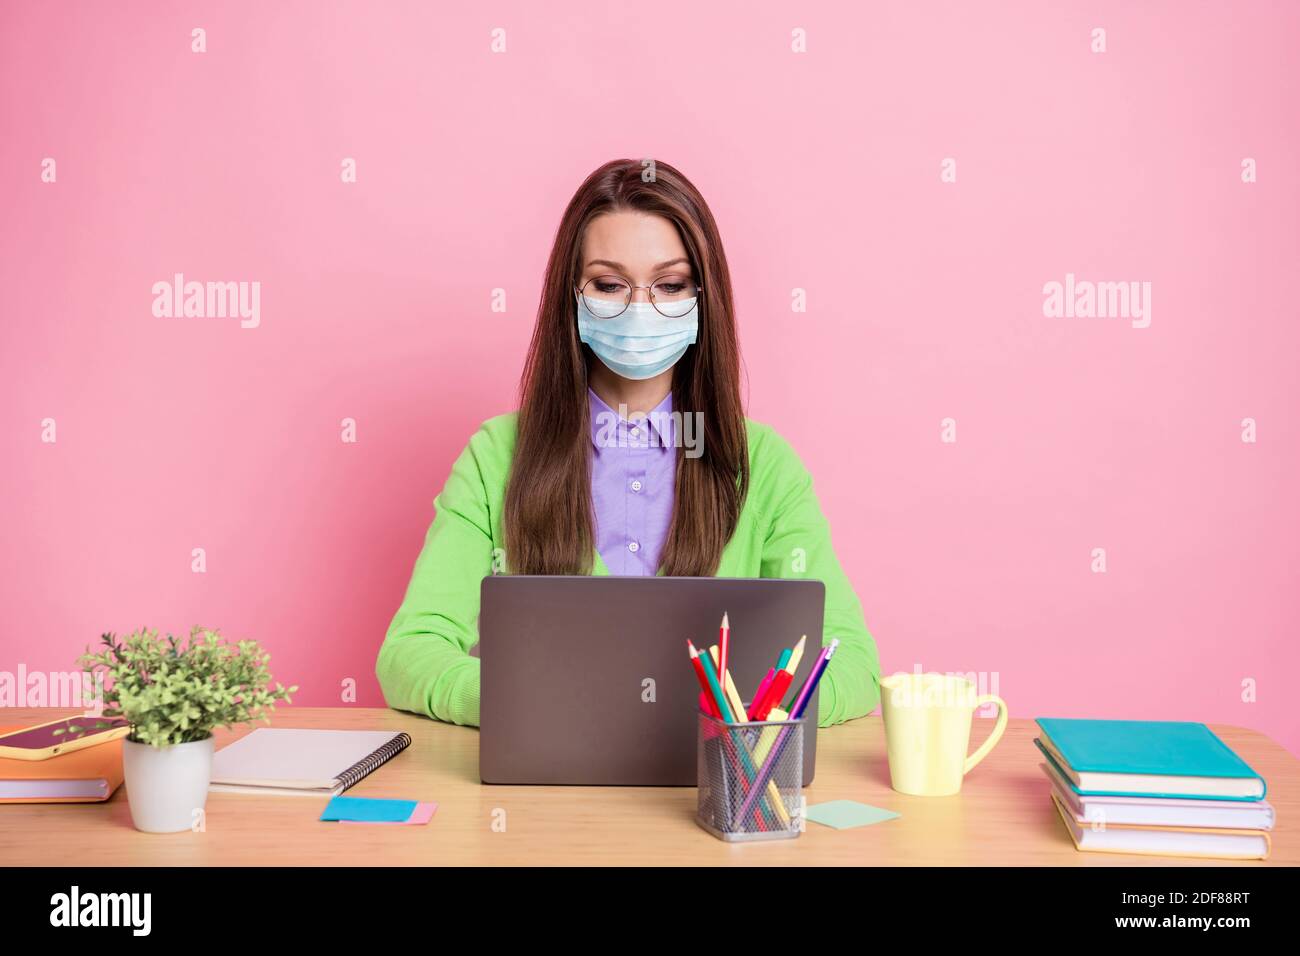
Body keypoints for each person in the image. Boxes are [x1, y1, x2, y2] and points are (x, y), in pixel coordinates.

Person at [376, 158, 880, 728]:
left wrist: (743, 714)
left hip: (710, 785)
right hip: (543, 794)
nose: (640, 309)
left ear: (702, 296)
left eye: (670, 284)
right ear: (572, 295)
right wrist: (527, 697)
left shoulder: (762, 464)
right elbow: (410, 651)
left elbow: (852, 662)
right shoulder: (497, 456)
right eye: (610, 284)